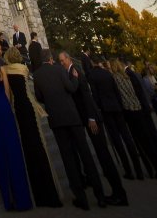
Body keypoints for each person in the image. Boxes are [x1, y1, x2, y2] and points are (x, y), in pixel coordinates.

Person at [33, 50, 109, 210]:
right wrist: (74, 78)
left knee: (68, 159)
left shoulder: (37, 75)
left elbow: (39, 97)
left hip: (56, 120)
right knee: (85, 155)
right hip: (72, 117)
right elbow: (72, 88)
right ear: (51, 59)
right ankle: (100, 196)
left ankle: (81, 198)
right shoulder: (60, 69)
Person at [58, 50, 128, 206]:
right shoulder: (69, 73)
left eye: (62, 60)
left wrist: (91, 117)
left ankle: (119, 193)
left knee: (103, 154)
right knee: (99, 154)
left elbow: (86, 95)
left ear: (68, 59)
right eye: (60, 61)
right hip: (83, 119)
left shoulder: (76, 71)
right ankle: (108, 189)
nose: (61, 63)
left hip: (91, 119)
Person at [4, 46, 62, 208]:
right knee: (39, 146)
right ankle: (50, 192)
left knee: (27, 148)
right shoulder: (24, 69)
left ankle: (37, 193)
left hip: (19, 109)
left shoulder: (6, 70)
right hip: (29, 107)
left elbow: (8, 94)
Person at [0, 46, 32, 211]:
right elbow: (7, 92)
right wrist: (6, 104)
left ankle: (8, 199)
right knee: (13, 148)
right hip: (4, 107)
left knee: (0, 150)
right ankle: (21, 198)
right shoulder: (2, 70)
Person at [87, 54, 143, 181]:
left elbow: (95, 95)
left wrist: (98, 108)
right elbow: (116, 91)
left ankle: (128, 170)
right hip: (117, 107)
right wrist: (119, 104)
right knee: (127, 138)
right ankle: (138, 170)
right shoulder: (108, 73)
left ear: (91, 62)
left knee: (117, 141)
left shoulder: (91, 75)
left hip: (106, 110)